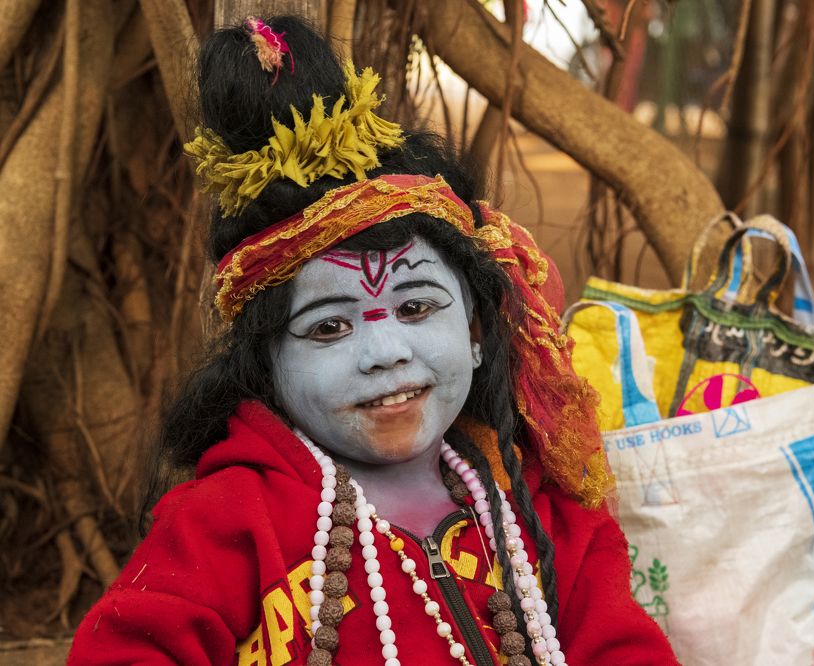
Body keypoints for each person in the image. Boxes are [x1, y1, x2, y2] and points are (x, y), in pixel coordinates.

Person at [68, 15, 679, 666]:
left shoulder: (542, 515)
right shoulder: (227, 522)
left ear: (476, 331)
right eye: (329, 326)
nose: (386, 352)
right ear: (267, 364)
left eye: (416, 307)